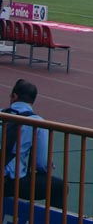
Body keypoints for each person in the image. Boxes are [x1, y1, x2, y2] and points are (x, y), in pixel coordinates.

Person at [2, 79, 65, 208]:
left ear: (14, 96)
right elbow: (41, 164)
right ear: (32, 101)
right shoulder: (38, 123)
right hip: (10, 183)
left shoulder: (1, 113)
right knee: (60, 187)